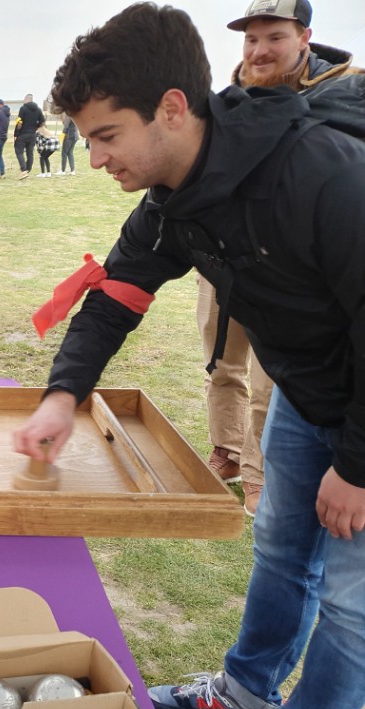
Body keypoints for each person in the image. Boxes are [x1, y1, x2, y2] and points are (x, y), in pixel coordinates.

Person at [14, 4, 365, 709]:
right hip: (302, 392)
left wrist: (357, 466)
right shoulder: (172, 197)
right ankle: (242, 694)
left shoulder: (323, 174)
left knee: (352, 605)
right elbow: (114, 294)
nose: (97, 157)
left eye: (107, 135)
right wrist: (61, 394)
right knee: (278, 551)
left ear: (171, 108)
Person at [199, 0, 362, 516]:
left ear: (304, 36)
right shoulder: (231, 98)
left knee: (272, 382)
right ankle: (225, 450)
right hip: (227, 260)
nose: (259, 49)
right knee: (221, 360)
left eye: (274, 36)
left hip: (295, 266)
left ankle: (257, 474)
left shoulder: (348, 91)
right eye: (251, 38)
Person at [13, 93, 45, 180]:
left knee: (18, 151)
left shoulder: (23, 108)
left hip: (23, 134)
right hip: (32, 135)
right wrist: (35, 127)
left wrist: (16, 134)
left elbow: (19, 122)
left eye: (24, 99)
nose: (24, 100)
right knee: (30, 153)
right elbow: (42, 122)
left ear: (28, 99)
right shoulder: (38, 109)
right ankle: (27, 170)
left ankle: (23, 170)